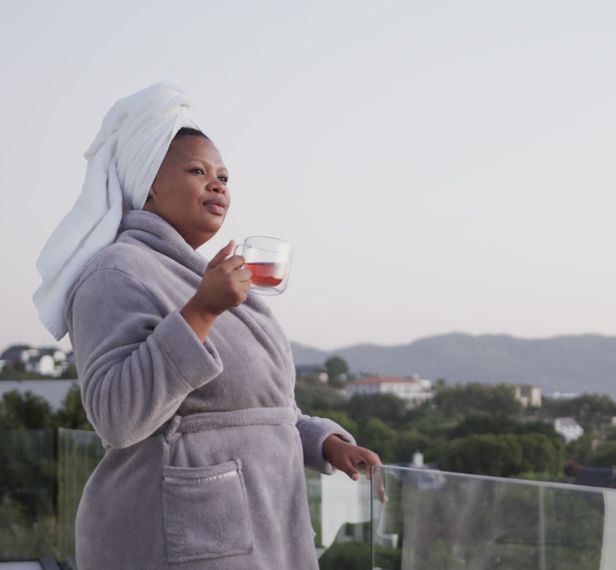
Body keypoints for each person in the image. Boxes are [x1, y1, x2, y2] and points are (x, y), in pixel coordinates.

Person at [32, 82, 380, 569]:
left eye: (223, 176)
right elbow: (116, 416)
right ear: (149, 183)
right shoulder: (116, 273)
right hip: (181, 538)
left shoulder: (204, 277)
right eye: (198, 171)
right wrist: (201, 312)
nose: (218, 184)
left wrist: (324, 441)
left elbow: (258, 409)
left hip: (265, 528)